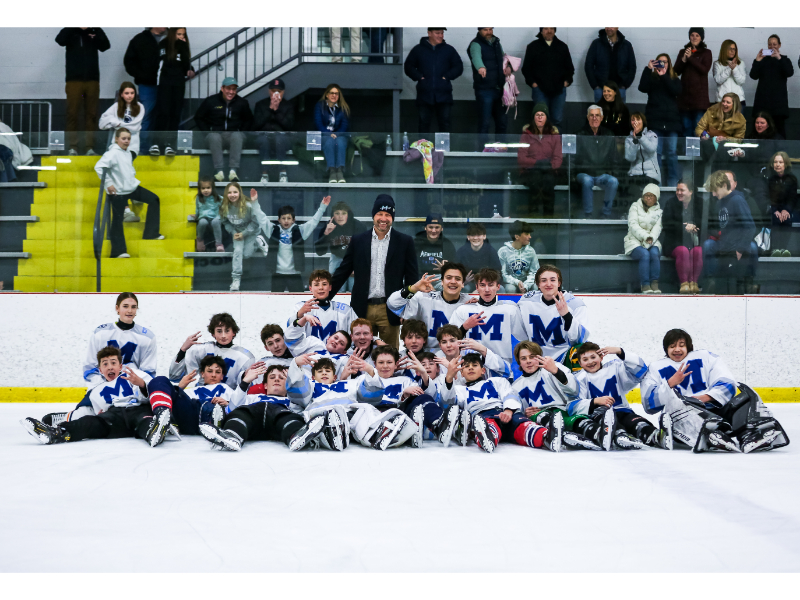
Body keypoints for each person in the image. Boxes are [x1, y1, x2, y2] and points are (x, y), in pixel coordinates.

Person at [641, 329, 789, 453]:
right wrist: (671, 383)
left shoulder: (706, 357)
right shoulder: (656, 367)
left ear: (689, 346)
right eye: (672, 346)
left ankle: (749, 435)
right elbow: (649, 403)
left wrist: (705, 397)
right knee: (681, 409)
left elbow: (727, 381)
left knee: (745, 396)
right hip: (683, 416)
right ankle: (712, 435)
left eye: (681, 345)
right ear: (666, 349)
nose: (677, 349)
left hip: (712, 406)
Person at [21, 346, 173, 448]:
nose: (110, 367)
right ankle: (57, 433)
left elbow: (155, 393)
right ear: (100, 369)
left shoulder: (135, 374)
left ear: (121, 366)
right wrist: (60, 418)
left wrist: (141, 384)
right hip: (114, 418)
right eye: (105, 364)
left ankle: (154, 433)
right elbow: (89, 412)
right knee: (90, 422)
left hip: (139, 410)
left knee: (145, 421)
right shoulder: (95, 391)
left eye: (113, 363)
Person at [328, 194, 419, 348]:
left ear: (393, 217)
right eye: (380, 214)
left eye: (388, 215)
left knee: (390, 357)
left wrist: (407, 309)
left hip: (391, 309)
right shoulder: (358, 240)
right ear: (373, 215)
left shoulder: (405, 242)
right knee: (361, 356)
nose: (383, 218)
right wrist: (325, 297)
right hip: (362, 308)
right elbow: (342, 271)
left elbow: (412, 279)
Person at [439, 352, 560, 453]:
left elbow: (510, 393)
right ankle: (488, 437)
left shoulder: (496, 381)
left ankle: (547, 437)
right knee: (487, 425)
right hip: (482, 415)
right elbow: (446, 401)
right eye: (466, 366)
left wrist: (508, 410)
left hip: (505, 412)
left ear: (482, 370)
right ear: (461, 373)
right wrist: (449, 377)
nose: (470, 368)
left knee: (523, 426)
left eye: (474, 365)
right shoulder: (460, 390)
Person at [569, 343, 672, 450]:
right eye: (585, 359)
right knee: (610, 423)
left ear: (601, 357)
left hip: (623, 411)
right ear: (580, 363)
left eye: (593, 357)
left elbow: (641, 370)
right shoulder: (579, 378)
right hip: (599, 414)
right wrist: (594, 401)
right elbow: (573, 406)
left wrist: (620, 351)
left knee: (636, 422)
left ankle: (656, 436)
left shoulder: (615, 367)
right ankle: (620, 435)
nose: (590, 362)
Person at [511, 341, 604, 451]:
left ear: (539, 357)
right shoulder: (516, 386)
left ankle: (597, 433)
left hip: (562, 411)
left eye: (532, 357)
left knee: (575, 421)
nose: (528, 361)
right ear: (519, 362)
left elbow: (574, 390)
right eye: (523, 358)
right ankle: (563, 435)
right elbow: (517, 413)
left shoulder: (553, 367)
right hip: (539, 417)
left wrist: (555, 371)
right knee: (543, 416)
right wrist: (525, 413)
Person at [94, 128, 163, 259]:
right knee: (117, 221)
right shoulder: (112, 153)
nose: (126, 141)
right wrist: (108, 184)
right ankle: (118, 252)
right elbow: (98, 166)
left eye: (128, 139)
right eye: (123, 138)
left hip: (131, 188)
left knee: (154, 199)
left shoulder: (127, 152)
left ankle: (151, 233)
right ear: (116, 139)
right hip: (118, 192)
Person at [450, 267, 528, 368]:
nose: (487, 289)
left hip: (501, 367)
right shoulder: (463, 310)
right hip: (471, 368)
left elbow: (524, 339)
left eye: (491, 285)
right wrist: (464, 327)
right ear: (477, 287)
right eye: (482, 285)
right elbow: (449, 340)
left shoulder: (510, 309)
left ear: (498, 286)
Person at [387, 263, 474, 351]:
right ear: (442, 281)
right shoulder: (424, 297)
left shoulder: (470, 302)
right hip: (426, 358)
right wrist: (413, 288)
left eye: (457, 279)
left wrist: (479, 304)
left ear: (463, 283)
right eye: (448, 278)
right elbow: (393, 304)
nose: (453, 281)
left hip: (456, 355)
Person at [83, 292, 156, 387]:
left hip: (132, 390)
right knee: (85, 403)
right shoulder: (100, 333)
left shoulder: (147, 338)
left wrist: (135, 387)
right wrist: (103, 386)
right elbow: (90, 368)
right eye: (125, 306)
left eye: (133, 307)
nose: (130, 310)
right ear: (117, 308)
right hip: (102, 388)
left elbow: (148, 373)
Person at [56, 27, 110, 156]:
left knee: (91, 114)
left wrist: (95, 33)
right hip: (74, 80)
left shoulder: (96, 30)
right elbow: (60, 40)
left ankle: (89, 147)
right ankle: (72, 147)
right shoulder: (70, 30)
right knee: (72, 113)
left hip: (92, 80)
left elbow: (105, 46)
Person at [517, 265, 589, 362]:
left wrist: (566, 315)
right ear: (538, 284)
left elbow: (580, 340)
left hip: (565, 358)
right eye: (543, 280)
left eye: (553, 280)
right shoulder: (526, 301)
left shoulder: (575, 304)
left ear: (559, 283)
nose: (548, 284)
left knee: (581, 351)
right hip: (537, 358)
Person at [702, 170, 758, 294]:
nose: (714, 194)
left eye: (715, 190)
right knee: (720, 290)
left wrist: (740, 249)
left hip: (737, 253)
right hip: (725, 251)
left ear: (723, 185)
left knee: (733, 291)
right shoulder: (719, 203)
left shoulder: (737, 200)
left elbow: (750, 227)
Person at [259, 198, 330, 292]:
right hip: (277, 274)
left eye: (289, 218)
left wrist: (322, 207)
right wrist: (255, 202)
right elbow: (262, 218)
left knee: (299, 301)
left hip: (295, 274)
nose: (286, 221)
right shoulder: (273, 230)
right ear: (279, 220)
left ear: (294, 220)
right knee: (276, 301)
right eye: (283, 218)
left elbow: (313, 222)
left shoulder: (300, 231)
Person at [169, 312, 255, 390]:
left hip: (228, 399)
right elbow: (174, 377)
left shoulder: (245, 357)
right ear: (213, 334)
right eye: (219, 331)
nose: (223, 335)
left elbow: (245, 389)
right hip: (201, 397)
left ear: (234, 332)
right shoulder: (200, 350)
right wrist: (182, 350)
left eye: (227, 331)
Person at [403, 28, 463, 135]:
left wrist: (447, 77)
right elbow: (408, 67)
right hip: (424, 94)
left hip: (444, 94)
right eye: (437, 33)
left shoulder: (449, 50)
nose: (440, 35)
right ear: (429, 33)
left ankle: (445, 151)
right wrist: (419, 77)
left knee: (445, 124)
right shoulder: (418, 50)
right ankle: (423, 149)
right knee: (423, 124)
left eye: (442, 33)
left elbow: (458, 67)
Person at [194, 77, 253, 183]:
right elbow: (199, 117)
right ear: (222, 88)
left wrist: (242, 131)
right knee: (214, 136)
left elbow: (249, 120)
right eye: (228, 88)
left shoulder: (242, 103)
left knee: (237, 135)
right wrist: (207, 132)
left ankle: (233, 172)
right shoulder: (211, 101)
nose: (231, 92)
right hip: (216, 135)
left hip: (234, 136)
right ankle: (219, 172)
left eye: (234, 89)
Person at [638, 53, 682, 187]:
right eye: (660, 61)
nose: (662, 64)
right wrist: (648, 69)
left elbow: (676, 91)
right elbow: (642, 87)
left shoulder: (674, 79)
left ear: (669, 64)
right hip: (655, 121)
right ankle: (656, 182)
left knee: (671, 153)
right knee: (656, 153)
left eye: (665, 62)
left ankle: (673, 182)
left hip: (671, 122)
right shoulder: (652, 78)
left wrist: (664, 76)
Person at [124, 28, 168, 154]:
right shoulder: (140, 39)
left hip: (167, 84)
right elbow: (129, 61)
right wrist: (142, 75)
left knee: (165, 115)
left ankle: (161, 146)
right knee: (146, 115)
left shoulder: (171, 38)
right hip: (147, 84)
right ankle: (143, 147)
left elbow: (181, 56)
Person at [520, 27, 575, 129]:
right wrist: (533, 84)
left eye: (551, 28)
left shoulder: (562, 47)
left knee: (557, 119)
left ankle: (556, 144)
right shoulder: (533, 47)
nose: (549, 31)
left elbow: (570, 68)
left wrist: (567, 82)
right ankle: (541, 145)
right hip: (539, 90)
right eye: (546, 28)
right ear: (541, 31)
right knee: (540, 121)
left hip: (559, 90)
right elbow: (526, 69)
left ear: (554, 30)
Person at [219, 183, 268, 292]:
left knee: (247, 254)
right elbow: (225, 222)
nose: (232, 195)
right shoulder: (224, 207)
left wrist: (244, 233)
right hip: (237, 233)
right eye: (229, 192)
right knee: (238, 252)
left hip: (251, 232)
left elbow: (256, 223)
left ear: (240, 193)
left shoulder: (248, 206)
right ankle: (236, 280)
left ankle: (258, 240)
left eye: (235, 192)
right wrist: (233, 231)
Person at [155, 27, 195, 156]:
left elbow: (186, 64)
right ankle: (157, 143)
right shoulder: (163, 44)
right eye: (178, 34)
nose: (181, 36)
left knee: (175, 113)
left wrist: (183, 46)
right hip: (165, 82)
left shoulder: (183, 46)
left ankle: (169, 144)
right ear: (173, 34)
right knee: (163, 112)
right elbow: (165, 62)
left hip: (178, 84)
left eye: (183, 34)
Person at [517, 103, 562, 217]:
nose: (540, 117)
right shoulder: (526, 134)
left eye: (542, 114)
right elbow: (521, 158)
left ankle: (548, 217)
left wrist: (550, 165)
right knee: (535, 178)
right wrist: (536, 163)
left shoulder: (554, 134)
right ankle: (533, 215)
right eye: (537, 115)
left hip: (549, 170)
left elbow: (558, 157)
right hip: (530, 171)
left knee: (548, 181)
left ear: (546, 117)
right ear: (533, 117)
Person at [467, 28, 509, 145]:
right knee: (484, 123)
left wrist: (508, 66)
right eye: (485, 29)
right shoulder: (475, 44)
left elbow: (502, 58)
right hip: (484, 89)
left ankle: (501, 150)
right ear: (479, 30)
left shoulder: (496, 43)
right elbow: (476, 57)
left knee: (502, 122)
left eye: (490, 29)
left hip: (499, 89)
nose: (489, 32)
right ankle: (482, 151)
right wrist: (480, 67)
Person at [575, 105, 618, 218]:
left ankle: (605, 213)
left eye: (597, 115)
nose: (594, 118)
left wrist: (614, 172)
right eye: (592, 115)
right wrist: (571, 175)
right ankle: (588, 214)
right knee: (587, 180)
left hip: (601, 175)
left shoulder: (609, 135)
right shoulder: (580, 134)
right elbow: (573, 158)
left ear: (602, 118)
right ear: (588, 117)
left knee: (613, 181)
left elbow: (614, 158)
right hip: (584, 173)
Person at [290, 269, 357, 342]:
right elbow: (291, 333)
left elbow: (356, 334)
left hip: (338, 353)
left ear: (330, 287)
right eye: (316, 284)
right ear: (310, 288)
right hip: (311, 352)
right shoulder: (300, 308)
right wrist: (300, 314)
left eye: (324, 284)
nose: (321, 287)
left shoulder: (346, 310)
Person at [661, 179, 703, 294]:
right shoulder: (671, 203)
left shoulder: (700, 203)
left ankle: (693, 283)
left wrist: (693, 226)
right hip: (674, 241)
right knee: (683, 251)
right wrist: (684, 227)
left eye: (682, 190)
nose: (679, 192)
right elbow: (667, 223)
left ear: (691, 192)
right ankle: (684, 284)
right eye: (677, 190)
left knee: (698, 251)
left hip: (694, 240)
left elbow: (704, 222)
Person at [315, 200, 366, 293]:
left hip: (354, 259)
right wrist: (326, 234)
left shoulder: (358, 226)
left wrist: (358, 266)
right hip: (336, 258)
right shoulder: (328, 226)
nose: (340, 216)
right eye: (337, 213)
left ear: (348, 214)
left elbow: (365, 249)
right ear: (333, 215)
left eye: (343, 213)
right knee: (336, 290)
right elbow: (320, 252)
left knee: (355, 290)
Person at [252, 78, 295, 184]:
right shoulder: (261, 104)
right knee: (264, 140)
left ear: (283, 92)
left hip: (282, 138)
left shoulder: (288, 105)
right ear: (269, 91)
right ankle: (264, 174)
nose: (276, 94)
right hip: (263, 136)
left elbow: (289, 126)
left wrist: (277, 111)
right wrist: (270, 109)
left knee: (280, 139)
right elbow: (256, 125)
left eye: (279, 91)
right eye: (273, 91)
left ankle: (283, 172)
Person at [750, 35, 794, 139]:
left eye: (775, 44)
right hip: (763, 103)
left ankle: (781, 154)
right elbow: (753, 76)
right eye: (770, 44)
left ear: (779, 45)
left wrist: (779, 58)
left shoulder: (785, 59)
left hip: (778, 105)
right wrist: (757, 61)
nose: (772, 46)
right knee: (759, 133)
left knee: (779, 133)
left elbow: (790, 72)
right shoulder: (762, 60)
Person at [624, 183, 663, 294]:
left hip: (652, 240)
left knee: (655, 253)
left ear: (656, 198)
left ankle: (654, 283)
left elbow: (657, 228)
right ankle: (645, 285)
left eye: (651, 196)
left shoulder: (659, 212)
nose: (648, 198)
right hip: (634, 240)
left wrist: (651, 238)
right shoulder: (635, 206)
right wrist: (645, 236)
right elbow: (633, 224)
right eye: (646, 195)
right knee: (644, 254)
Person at [674, 28, 712, 137]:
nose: (694, 37)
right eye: (692, 35)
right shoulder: (683, 52)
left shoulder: (706, 52)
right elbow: (676, 71)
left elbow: (704, 69)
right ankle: (687, 153)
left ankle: (697, 153)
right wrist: (684, 59)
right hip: (684, 98)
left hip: (699, 99)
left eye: (697, 35)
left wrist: (691, 58)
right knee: (686, 127)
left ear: (701, 38)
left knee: (698, 129)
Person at [584, 28, 636, 103]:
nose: (609, 28)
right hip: (600, 89)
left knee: (619, 114)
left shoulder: (626, 45)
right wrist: (595, 86)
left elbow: (632, 67)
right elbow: (589, 65)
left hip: (620, 89)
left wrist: (625, 85)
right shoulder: (596, 44)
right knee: (600, 114)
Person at [314, 84, 350, 184]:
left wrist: (336, 134)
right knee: (330, 142)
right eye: (332, 93)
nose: (334, 95)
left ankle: (340, 171)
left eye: (337, 93)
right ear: (326, 95)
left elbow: (344, 125)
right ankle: (332, 171)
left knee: (340, 142)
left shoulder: (343, 107)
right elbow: (318, 123)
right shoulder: (320, 106)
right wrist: (329, 134)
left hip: (339, 135)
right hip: (325, 135)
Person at [99, 82, 145, 157]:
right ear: (121, 94)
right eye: (126, 93)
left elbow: (134, 128)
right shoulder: (115, 106)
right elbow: (101, 124)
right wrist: (113, 120)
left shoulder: (140, 107)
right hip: (116, 146)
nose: (130, 96)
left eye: (132, 93)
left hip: (132, 147)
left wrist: (117, 124)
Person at [766, 151, 797, 257]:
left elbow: (792, 198)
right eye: (775, 162)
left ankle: (784, 249)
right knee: (775, 219)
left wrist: (786, 210)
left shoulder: (792, 179)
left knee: (787, 218)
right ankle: (775, 249)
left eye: (780, 162)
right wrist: (775, 210)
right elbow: (767, 197)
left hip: (785, 208)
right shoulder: (769, 178)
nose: (777, 164)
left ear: (785, 164)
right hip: (772, 207)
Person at [455, 223, 502, 289]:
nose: (475, 238)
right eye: (473, 235)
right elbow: (455, 272)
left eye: (479, 235)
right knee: (465, 288)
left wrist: (483, 287)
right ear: (468, 237)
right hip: (467, 284)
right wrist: (463, 281)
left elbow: (498, 273)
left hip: (487, 284)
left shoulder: (491, 251)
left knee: (501, 289)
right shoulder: (461, 252)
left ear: (484, 236)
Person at [413, 213, 456, 285]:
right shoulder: (416, 243)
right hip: (420, 278)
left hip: (440, 279)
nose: (433, 230)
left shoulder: (447, 244)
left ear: (442, 228)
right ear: (425, 228)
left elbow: (454, 269)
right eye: (430, 227)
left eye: (437, 227)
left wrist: (445, 269)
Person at [624, 112, 661, 195]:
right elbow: (630, 158)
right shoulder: (628, 139)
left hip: (651, 174)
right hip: (635, 174)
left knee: (648, 191)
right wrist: (635, 140)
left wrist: (640, 136)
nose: (635, 122)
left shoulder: (652, 135)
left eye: (638, 119)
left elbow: (651, 149)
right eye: (633, 120)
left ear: (643, 121)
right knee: (632, 191)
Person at [498, 220, 540, 293]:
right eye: (527, 234)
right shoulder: (503, 251)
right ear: (517, 236)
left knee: (536, 287)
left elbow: (535, 272)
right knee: (510, 288)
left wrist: (526, 285)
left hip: (526, 283)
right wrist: (516, 282)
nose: (530, 236)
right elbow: (502, 274)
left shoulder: (530, 251)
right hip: (510, 283)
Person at [193, 175, 224, 252]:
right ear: (200, 189)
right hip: (204, 217)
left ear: (212, 188)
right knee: (202, 222)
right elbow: (198, 208)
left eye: (208, 188)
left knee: (215, 222)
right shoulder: (199, 198)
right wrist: (196, 215)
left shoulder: (217, 198)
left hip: (215, 216)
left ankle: (219, 244)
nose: (206, 190)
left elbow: (225, 203)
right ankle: (199, 240)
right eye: (203, 188)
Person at [713, 39, 747, 105]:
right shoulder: (717, 63)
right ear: (724, 50)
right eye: (730, 49)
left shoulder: (741, 63)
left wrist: (734, 69)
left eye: (734, 49)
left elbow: (741, 81)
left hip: (738, 100)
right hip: (722, 101)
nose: (732, 51)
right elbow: (718, 80)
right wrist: (729, 68)